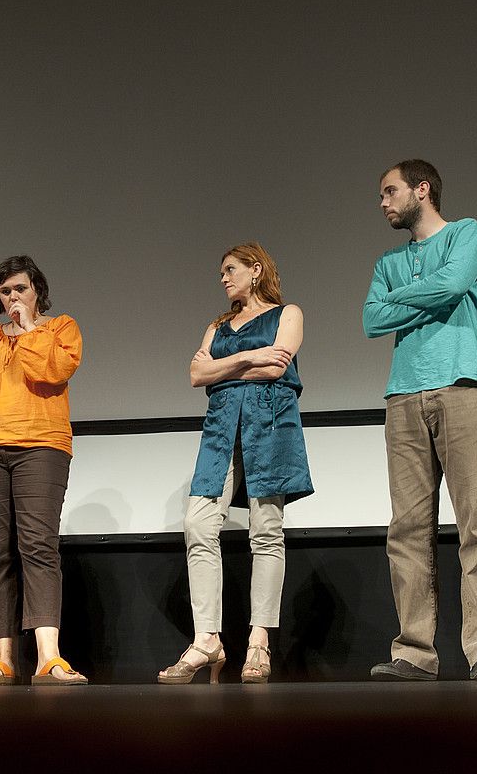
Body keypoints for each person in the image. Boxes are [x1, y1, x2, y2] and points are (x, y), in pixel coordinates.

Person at [363, 159, 477, 682]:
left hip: (465, 386)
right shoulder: (387, 260)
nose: (383, 202)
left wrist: (403, 299)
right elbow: (370, 318)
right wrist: (424, 296)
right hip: (403, 396)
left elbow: (450, 288)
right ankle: (414, 652)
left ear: (421, 190)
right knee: (406, 529)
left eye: (390, 191)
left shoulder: (466, 232)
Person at [158, 243, 312, 685]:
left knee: (266, 530)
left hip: (270, 425)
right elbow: (195, 376)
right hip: (221, 429)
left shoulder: (288, 314)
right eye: (221, 272)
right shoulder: (217, 326)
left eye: (231, 270)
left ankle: (259, 641)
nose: (223, 278)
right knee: (199, 525)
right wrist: (247, 356)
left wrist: (222, 368)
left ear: (255, 270)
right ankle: (208, 639)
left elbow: (277, 368)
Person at [0, 255, 88, 686]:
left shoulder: (60, 328)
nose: (12, 298)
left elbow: (53, 371)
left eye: (19, 289)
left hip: (40, 446)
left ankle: (49, 657)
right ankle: (4, 657)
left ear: (36, 290)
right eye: (5, 292)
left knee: (38, 546)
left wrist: (27, 331)